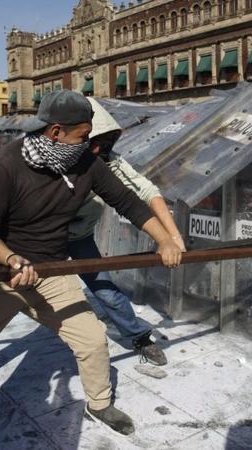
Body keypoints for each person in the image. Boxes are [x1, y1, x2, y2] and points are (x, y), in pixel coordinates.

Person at [0, 90, 182, 436]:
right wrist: (11, 258)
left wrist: (164, 239)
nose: (89, 143)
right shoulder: (2, 168)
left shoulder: (85, 164)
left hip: (53, 272)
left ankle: (99, 404)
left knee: (93, 339)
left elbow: (129, 201)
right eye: (83, 135)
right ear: (56, 131)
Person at [66, 98, 186, 366]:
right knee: (7, 297)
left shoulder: (111, 163)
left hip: (79, 237)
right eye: (93, 142)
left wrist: (172, 238)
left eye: (106, 144)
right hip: (41, 238)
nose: (100, 150)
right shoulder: (60, 161)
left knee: (106, 290)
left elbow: (146, 192)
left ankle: (140, 337)